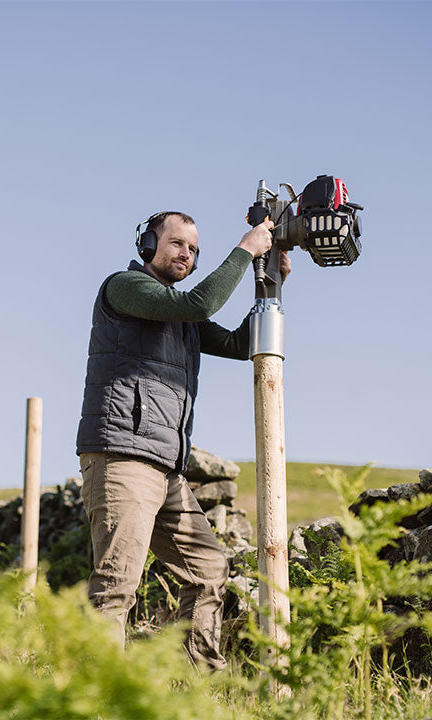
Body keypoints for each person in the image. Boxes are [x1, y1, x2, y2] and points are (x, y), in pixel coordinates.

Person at [75, 211, 289, 669]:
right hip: (122, 456)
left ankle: (200, 689)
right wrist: (245, 250)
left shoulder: (180, 314)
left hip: (164, 466)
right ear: (148, 244)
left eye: (193, 249)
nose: (185, 254)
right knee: (115, 588)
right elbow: (199, 304)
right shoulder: (124, 288)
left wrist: (271, 282)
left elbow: (238, 344)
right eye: (176, 244)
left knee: (209, 571)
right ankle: (94, 700)